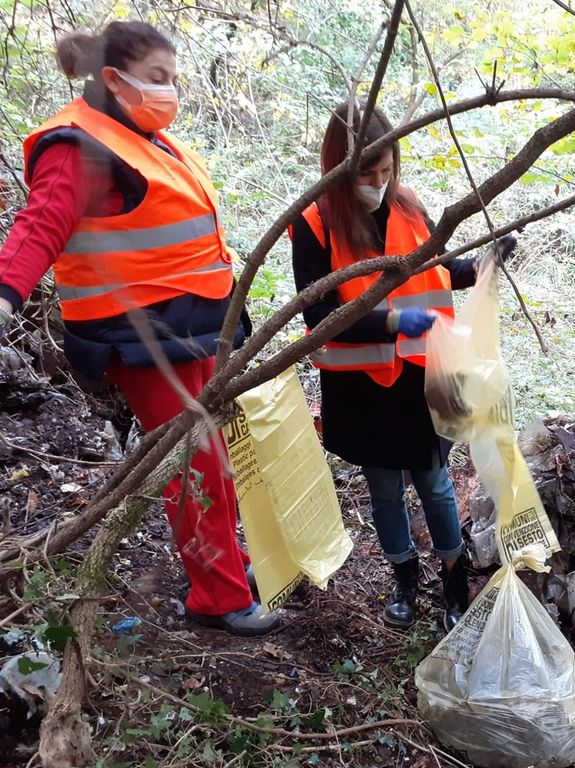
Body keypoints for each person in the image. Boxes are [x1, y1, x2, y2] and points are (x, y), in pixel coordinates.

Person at [0, 22, 278, 636]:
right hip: (142, 338)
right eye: (157, 78)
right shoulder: (78, 145)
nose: (169, 91)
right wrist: (5, 295)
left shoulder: (147, 138)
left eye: (173, 78)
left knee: (216, 456)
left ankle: (226, 567)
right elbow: (39, 226)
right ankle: (217, 597)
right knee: (194, 465)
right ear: (113, 79)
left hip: (193, 326)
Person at [291, 101, 513, 631]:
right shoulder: (315, 221)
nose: (378, 183)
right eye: (366, 174)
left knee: (434, 483)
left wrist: (481, 266)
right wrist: (392, 321)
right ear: (339, 167)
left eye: (386, 170)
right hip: (360, 388)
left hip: (420, 379)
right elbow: (318, 315)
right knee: (385, 489)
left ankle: (454, 581)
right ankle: (404, 580)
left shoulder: (408, 205)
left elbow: (436, 270)